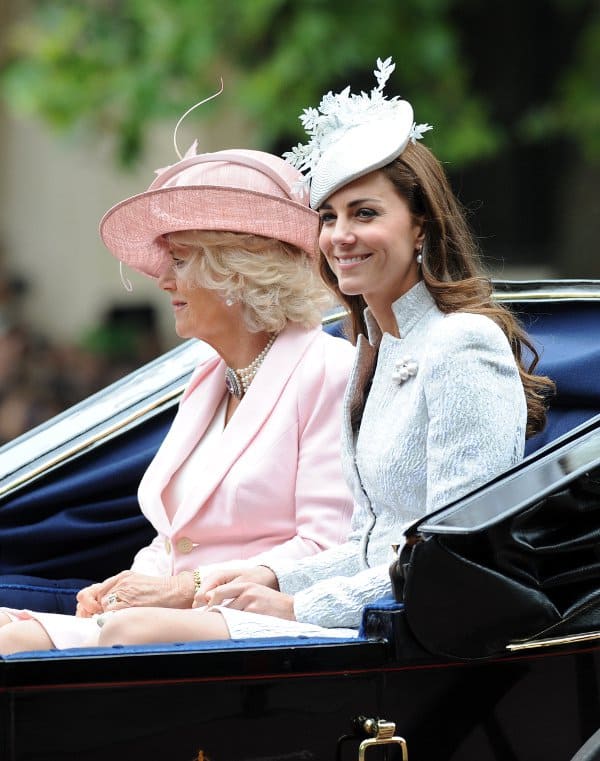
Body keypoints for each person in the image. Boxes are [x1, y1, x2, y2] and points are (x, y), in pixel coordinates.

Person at [0, 143, 355, 653]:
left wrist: (182, 590)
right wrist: (123, 586)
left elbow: (328, 546)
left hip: (266, 621)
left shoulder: (328, 369)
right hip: (176, 621)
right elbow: (175, 541)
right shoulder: (208, 377)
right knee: (8, 633)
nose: (163, 279)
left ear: (237, 271)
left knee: (105, 637)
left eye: (181, 260)